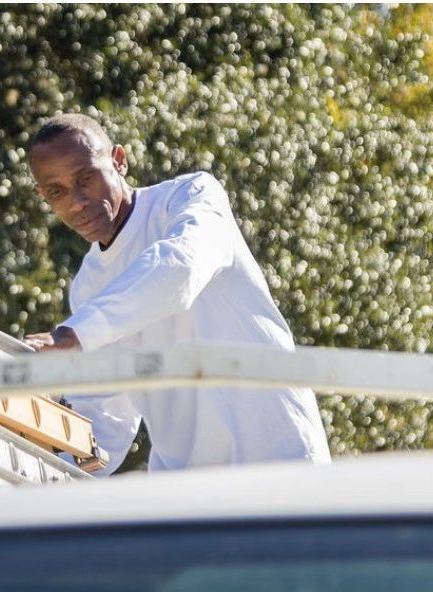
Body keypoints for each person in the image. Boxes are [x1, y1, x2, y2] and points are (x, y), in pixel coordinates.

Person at [24, 113, 331, 474]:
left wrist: (75, 334)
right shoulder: (87, 289)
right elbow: (105, 420)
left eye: (86, 178)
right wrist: (40, 480)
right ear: (44, 197)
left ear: (119, 161)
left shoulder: (191, 196)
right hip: (186, 492)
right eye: (57, 192)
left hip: (281, 463)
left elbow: (180, 264)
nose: (76, 202)